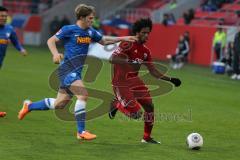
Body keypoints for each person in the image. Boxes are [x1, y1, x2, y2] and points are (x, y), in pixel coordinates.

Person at [17, 4, 137, 140]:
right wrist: (55, 54)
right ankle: (81, 131)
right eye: (90, 18)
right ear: (82, 17)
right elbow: (51, 40)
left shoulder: (90, 32)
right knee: (83, 95)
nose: (92, 20)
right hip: (67, 69)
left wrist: (124, 38)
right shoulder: (69, 29)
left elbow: (103, 41)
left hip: (76, 72)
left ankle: (29, 106)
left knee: (60, 104)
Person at [108, 18, 181, 144]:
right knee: (136, 114)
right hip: (121, 83)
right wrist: (129, 61)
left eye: (148, 33)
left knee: (149, 106)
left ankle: (146, 137)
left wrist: (170, 79)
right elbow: (112, 59)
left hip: (135, 81)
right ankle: (116, 104)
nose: (146, 35)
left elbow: (153, 71)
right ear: (137, 32)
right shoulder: (127, 44)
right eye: (144, 32)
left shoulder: (146, 51)